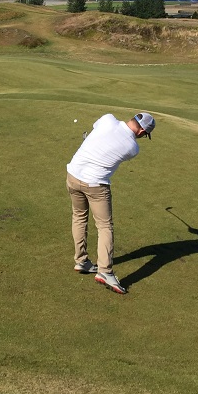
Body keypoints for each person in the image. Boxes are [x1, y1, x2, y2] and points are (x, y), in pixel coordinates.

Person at [65, 112, 156, 294]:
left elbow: (96, 129)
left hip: (73, 175)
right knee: (105, 226)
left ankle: (81, 260)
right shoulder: (133, 148)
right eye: (145, 135)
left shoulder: (108, 119)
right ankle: (105, 271)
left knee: (79, 217)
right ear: (142, 131)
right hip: (96, 185)